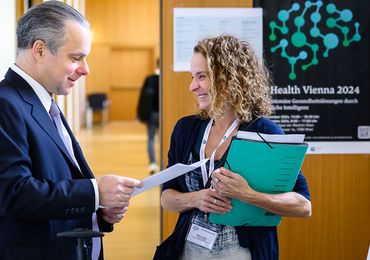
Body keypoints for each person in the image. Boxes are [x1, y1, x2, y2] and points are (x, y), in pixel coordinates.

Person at [0, 2, 142, 260]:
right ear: (40, 50)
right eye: (76, 58)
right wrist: (95, 191)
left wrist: (98, 207)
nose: (86, 69)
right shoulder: (6, 104)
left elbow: (55, 180)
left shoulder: (43, 102)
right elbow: (13, 192)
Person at [154, 35, 312, 260]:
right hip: (188, 252)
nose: (192, 86)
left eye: (202, 77)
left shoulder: (264, 132)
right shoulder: (186, 129)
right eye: (192, 77)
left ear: (228, 78)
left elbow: (303, 206)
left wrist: (248, 194)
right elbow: (166, 197)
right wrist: (196, 198)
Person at [137, 58, 160, 174]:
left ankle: (152, 164)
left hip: (151, 114)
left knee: (151, 139)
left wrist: (140, 114)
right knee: (164, 138)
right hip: (163, 115)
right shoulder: (167, 79)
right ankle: (164, 162)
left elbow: (142, 98)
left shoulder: (149, 79)